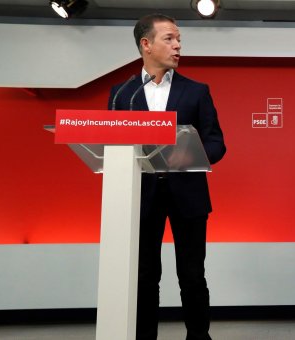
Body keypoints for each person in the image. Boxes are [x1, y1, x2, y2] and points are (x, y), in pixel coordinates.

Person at [108, 13, 226, 340]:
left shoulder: (197, 91)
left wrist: (191, 153)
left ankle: (198, 337)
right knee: (145, 276)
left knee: (192, 276)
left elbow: (217, 142)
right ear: (146, 45)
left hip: (188, 195)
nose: (178, 46)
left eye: (179, 39)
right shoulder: (122, 94)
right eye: (170, 39)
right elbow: (112, 144)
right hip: (140, 197)